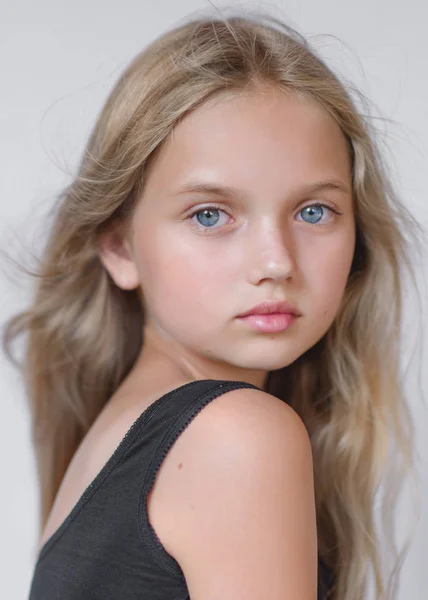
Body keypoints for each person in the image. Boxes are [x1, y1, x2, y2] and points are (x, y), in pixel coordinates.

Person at [2, 8, 425, 600]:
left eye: (313, 211)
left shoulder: (126, 436)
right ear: (120, 246)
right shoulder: (234, 436)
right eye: (209, 215)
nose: (276, 261)